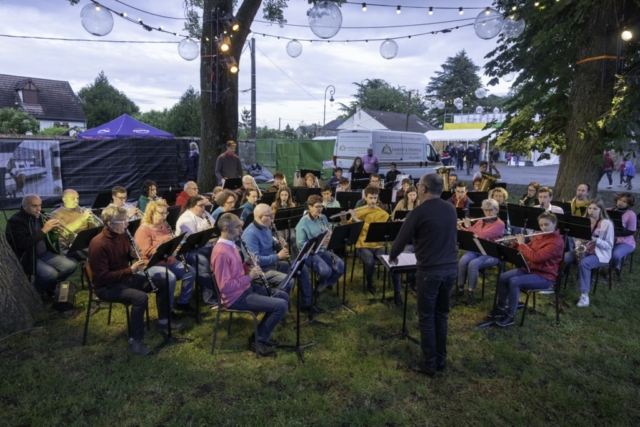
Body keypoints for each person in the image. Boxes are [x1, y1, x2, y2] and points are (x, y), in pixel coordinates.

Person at [88, 205, 182, 355]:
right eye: (123, 222)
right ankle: (135, 340)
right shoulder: (98, 244)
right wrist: (131, 270)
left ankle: (164, 321)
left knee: (163, 282)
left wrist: (131, 255)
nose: (127, 225)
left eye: (127, 221)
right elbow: (102, 277)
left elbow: (122, 257)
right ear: (109, 223)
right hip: (107, 286)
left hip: (126, 278)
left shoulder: (122, 234)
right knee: (140, 298)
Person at [389, 173, 458, 376]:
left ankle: (429, 364)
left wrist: (392, 256)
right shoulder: (451, 208)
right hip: (451, 267)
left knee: (426, 317)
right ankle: (441, 361)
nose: (417, 188)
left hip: (430, 270)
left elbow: (401, 240)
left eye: (419, 185)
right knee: (441, 315)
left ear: (424, 189)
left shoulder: (418, 211)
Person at [211, 213, 289, 357]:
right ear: (225, 228)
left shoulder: (232, 245)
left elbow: (235, 272)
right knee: (281, 306)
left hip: (245, 289)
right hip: (235, 298)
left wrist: (246, 265)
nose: (241, 230)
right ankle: (258, 340)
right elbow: (224, 287)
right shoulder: (221, 252)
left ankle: (263, 333)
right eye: (238, 227)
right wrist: (249, 277)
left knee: (283, 296)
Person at [492, 211, 565, 327]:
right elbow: (528, 249)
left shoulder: (556, 242)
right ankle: (501, 307)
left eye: (546, 225)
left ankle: (510, 316)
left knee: (514, 282)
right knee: (503, 277)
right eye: (541, 225)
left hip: (545, 276)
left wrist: (522, 244)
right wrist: (515, 243)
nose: (543, 228)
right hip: (531, 269)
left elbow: (536, 257)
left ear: (554, 224)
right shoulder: (540, 236)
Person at [242, 204, 316, 312]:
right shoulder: (250, 233)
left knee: (301, 268)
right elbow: (256, 260)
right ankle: (280, 306)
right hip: (260, 271)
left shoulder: (266, 227)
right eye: (270, 215)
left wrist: (278, 244)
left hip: (272, 264)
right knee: (288, 281)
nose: (273, 218)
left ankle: (306, 304)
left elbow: (270, 245)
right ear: (260, 217)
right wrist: (278, 256)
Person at [6, 194, 77, 296]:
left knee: (70, 266)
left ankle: (48, 289)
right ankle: (33, 294)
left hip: (44, 253)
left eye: (40, 205)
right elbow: (23, 244)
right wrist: (44, 230)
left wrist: (55, 232)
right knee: (50, 274)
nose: (38, 209)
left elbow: (50, 240)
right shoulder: (16, 221)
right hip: (28, 257)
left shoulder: (41, 217)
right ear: (24, 206)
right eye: (34, 206)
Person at [134, 200, 196, 314]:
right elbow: (145, 252)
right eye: (161, 213)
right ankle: (168, 310)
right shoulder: (143, 230)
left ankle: (183, 302)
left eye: (166, 213)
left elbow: (168, 241)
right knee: (170, 278)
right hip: (151, 264)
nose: (164, 216)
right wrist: (164, 248)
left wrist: (176, 243)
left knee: (190, 271)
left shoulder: (164, 226)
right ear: (152, 213)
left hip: (168, 259)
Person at [340, 186, 400, 299]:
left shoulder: (383, 214)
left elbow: (374, 228)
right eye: (371, 198)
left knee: (394, 260)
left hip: (377, 245)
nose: (373, 200)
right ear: (365, 198)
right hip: (362, 245)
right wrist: (344, 219)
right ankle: (370, 284)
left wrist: (358, 220)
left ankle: (397, 292)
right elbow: (348, 229)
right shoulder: (359, 211)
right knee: (370, 262)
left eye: (375, 198)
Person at [564, 199, 614, 308]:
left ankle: (584, 296)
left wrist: (595, 240)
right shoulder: (584, 220)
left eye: (595, 209)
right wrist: (578, 245)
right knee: (564, 257)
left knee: (584, 264)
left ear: (601, 210)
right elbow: (575, 237)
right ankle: (552, 282)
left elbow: (609, 245)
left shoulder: (606, 223)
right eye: (590, 208)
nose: (592, 211)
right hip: (583, 249)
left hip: (599, 254)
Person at [455, 199, 505, 304]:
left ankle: (470, 294)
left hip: (491, 253)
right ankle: (460, 288)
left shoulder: (500, 224)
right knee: (463, 260)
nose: (488, 213)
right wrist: (462, 228)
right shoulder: (481, 221)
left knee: (473, 264)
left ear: (497, 210)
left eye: (491, 210)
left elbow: (483, 235)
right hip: (476, 249)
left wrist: (469, 226)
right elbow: (473, 233)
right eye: (485, 210)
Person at [175, 195, 219, 309]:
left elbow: (215, 229)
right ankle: (210, 299)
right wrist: (210, 238)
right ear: (191, 206)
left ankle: (223, 289)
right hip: (189, 251)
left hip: (206, 246)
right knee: (202, 262)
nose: (204, 208)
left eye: (204, 205)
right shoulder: (186, 219)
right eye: (200, 206)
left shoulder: (205, 215)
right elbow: (193, 242)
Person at [296, 195, 345, 293]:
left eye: (321, 206)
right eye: (317, 207)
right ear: (310, 207)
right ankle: (322, 285)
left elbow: (326, 232)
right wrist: (319, 242)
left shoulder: (323, 217)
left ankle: (324, 284)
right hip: (309, 253)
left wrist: (329, 234)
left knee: (341, 266)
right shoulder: (303, 223)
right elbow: (300, 245)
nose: (320, 209)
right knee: (326, 271)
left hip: (322, 249)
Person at [610, 193, 637, 276]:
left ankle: (612, 269)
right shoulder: (610, 210)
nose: (621, 203)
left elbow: (631, 231)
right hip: (609, 239)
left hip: (625, 241)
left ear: (628, 204)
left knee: (615, 255)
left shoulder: (631, 215)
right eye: (620, 200)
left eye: (624, 201)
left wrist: (615, 233)